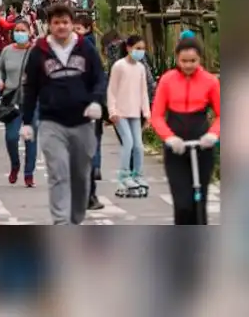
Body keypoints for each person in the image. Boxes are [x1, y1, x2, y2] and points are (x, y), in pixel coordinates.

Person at [20, 4, 106, 225]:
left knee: (80, 176)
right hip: (51, 122)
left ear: (71, 24)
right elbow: (30, 88)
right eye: (56, 22)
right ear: (49, 25)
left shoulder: (85, 48)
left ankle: (76, 218)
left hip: (83, 121)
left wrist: (97, 101)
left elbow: (99, 78)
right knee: (58, 173)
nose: (61, 27)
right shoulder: (39, 51)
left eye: (65, 22)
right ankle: (61, 222)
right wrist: (27, 121)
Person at [149, 38, 220, 225]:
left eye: (193, 61)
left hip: (202, 147)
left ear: (200, 60)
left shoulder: (210, 82)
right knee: (182, 204)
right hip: (176, 150)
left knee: (199, 203)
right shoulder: (167, 80)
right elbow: (156, 116)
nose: (188, 65)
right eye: (184, 61)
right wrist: (169, 137)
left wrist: (213, 134)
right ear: (177, 59)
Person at [107, 35, 152, 197]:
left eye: (142, 49)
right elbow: (111, 90)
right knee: (128, 143)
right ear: (128, 48)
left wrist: (147, 113)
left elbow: (143, 92)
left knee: (139, 146)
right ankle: (124, 176)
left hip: (135, 113)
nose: (140, 52)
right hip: (120, 113)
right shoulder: (119, 66)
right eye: (137, 48)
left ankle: (138, 175)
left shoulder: (141, 68)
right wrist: (112, 111)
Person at [0, 18, 36, 186]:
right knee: (11, 137)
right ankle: (15, 165)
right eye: (17, 30)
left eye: (23, 30)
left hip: (30, 100)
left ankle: (29, 174)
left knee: (30, 138)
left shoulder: (35, 52)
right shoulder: (6, 51)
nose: (20, 33)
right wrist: (0, 80)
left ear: (29, 33)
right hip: (11, 99)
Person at [74, 13, 106, 210]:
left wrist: (96, 101)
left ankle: (89, 195)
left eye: (78, 28)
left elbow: (100, 78)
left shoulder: (89, 49)